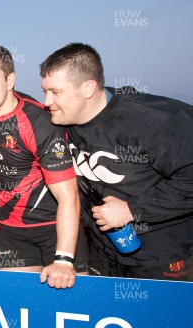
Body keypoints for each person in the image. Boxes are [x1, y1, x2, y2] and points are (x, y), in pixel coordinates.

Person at [40, 42, 193, 281]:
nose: (47, 101)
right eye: (45, 91)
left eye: (56, 92)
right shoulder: (61, 120)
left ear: (88, 88)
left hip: (164, 258)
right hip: (104, 254)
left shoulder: (157, 121)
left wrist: (132, 210)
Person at [0, 43, 85, 289]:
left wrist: (63, 260)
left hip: (55, 227)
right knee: (17, 303)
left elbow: (68, 197)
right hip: (12, 229)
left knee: (74, 310)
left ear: (10, 80)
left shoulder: (39, 122)